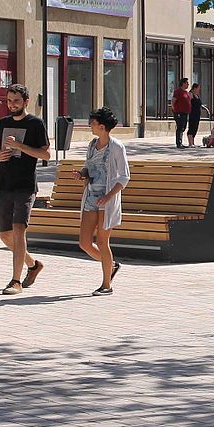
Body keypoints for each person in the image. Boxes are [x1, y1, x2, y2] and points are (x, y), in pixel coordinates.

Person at [0, 84, 50, 295]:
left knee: (18, 232)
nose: (12, 104)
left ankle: (15, 281)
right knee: (5, 236)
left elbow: (46, 155)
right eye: (9, 100)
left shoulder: (36, 124)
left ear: (26, 101)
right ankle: (33, 265)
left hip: (25, 186)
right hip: (4, 185)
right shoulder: (3, 123)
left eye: (16, 100)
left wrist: (20, 146)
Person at [76, 106, 131, 296]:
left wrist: (109, 196)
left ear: (102, 126)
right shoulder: (92, 145)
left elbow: (124, 177)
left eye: (92, 123)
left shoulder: (116, 147)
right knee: (84, 243)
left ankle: (106, 284)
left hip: (107, 200)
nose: (90, 126)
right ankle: (111, 265)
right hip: (91, 197)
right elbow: (88, 167)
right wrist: (81, 174)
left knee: (102, 241)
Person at [171, 78, 191, 148]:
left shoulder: (186, 92)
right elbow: (173, 101)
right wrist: (174, 109)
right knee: (180, 127)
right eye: (187, 83)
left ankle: (181, 142)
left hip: (186, 113)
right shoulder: (178, 91)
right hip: (179, 112)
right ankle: (179, 143)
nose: (188, 84)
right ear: (183, 83)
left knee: (183, 127)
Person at [186, 83, 204, 147]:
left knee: (195, 127)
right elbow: (188, 102)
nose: (199, 89)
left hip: (197, 114)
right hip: (192, 113)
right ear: (194, 88)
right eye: (198, 88)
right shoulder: (191, 94)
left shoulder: (197, 95)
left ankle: (193, 142)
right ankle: (190, 143)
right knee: (191, 127)